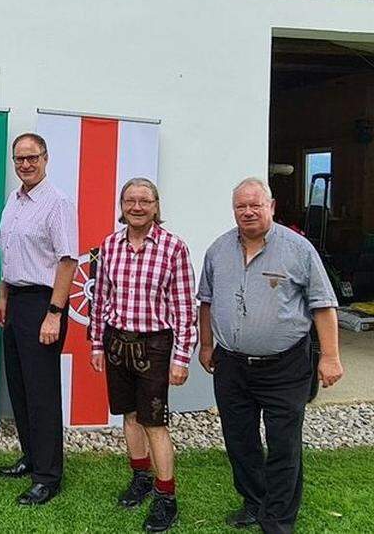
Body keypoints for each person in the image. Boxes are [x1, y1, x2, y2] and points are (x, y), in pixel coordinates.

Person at [198, 178, 344, 534]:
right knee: (239, 440)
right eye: (240, 207)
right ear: (233, 210)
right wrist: (205, 345)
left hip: (286, 366)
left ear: (272, 206)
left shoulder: (298, 249)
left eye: (255, 205)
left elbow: (323, 307)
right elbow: (206, 302)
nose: (247, 212)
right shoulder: (218, 251)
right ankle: (254, 502)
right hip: (231, 364)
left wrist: (330, 356)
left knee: (283, 443)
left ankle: (278, 519)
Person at [89, 178, 196, 533]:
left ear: (156, 206)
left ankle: (166, 497)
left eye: (144, 201)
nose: (137, 207)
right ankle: (141, 478)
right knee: (130, 415)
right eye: (130, 200)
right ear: (121, 205)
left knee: (155, 422)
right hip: (117, 341)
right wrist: (96, 344)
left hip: (155, 346)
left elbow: (184, 309)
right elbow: (100, 300)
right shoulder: (109, 245)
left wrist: (181, 358)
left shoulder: (173, 248)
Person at [0, 132, 77, 506]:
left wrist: (54, 314)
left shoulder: (57, 203)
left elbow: (67, 260)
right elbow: (7, 254)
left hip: (44, 303)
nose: (25, 165)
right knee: (20, 388)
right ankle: (31, 456)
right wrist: (2, 297)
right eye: (19, 159)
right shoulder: (13, 200)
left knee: (41, 393)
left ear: (46, 158)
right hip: (16, 302)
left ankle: (48, 476)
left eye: (33, 158)